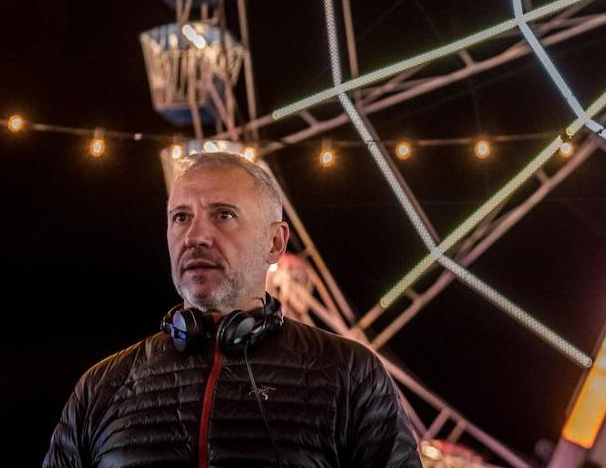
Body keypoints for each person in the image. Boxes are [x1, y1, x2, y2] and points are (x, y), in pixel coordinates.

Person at [43, 151, 421, 467]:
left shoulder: (350, 375)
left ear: (275, 242)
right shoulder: (101, 386)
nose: (195, 237)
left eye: (223, 215)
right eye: (181, 217)